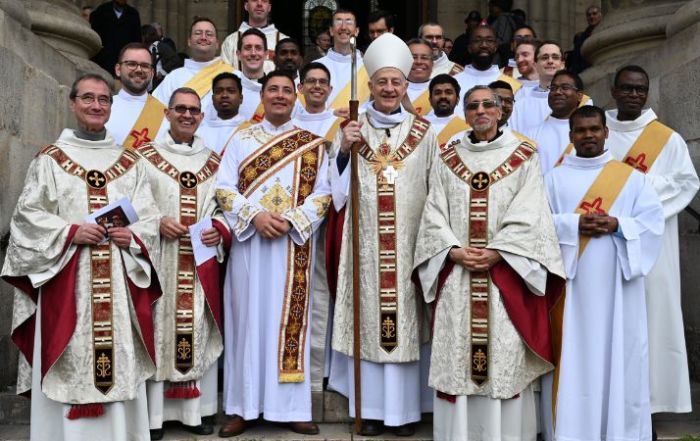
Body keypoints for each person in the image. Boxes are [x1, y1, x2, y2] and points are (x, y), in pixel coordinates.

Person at [1, 73, 161, 441]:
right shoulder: (50, 160)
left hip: (118, 282)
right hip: (67, 279)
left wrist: (131, 235)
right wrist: (71, 232)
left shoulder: (130, 161)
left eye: (103, 100)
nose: (95, 106)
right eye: (87, 98)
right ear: (73, 104)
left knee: (117, 360)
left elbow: (149, 216)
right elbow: (27, 217)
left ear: (111, 106)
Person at [413, 84, 565, 441]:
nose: (480, 111)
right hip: (459, 275)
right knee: (458, 354)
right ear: (465, 114)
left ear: (500, 111)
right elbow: (433, 211)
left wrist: (499, 251)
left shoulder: (524, 155)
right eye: (473, 106)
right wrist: (452, 251)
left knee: (504, 355)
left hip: (504, 275)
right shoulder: (448, 156)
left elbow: (531, 212)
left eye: (487, 105)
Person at [327, 33, 437, 437]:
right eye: (382, 82)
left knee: (406, 323)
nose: (389, 89)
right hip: (366, 247)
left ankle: (405, 413)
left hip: (408, 245)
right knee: (369, 320)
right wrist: (342, 150)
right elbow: (335, 194)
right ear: (370, 86)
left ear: (406, 86)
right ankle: (370, 411)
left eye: (396, 83)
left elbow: (437, 188)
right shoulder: (351, 129)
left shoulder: (425, 133)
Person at [215, 71, 331, 437]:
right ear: (261, 95)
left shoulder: (313, 144)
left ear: (295, 95)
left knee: (289, 324)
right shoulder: (241, 139)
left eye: (285, 90)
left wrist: (293, 219)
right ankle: (241, 407)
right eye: (272, 90)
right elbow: (223, 187)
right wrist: (256, 216)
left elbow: (325, 193)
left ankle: (292, 408)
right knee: (246, 323)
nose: (279, 96)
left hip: (293, 246)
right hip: (250, 245)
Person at [544, 105, 664, 441]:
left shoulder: (633, 180)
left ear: (605, 132)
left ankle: (620, 431)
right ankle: (572, 430)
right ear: (571, 137)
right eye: (580, 131)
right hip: (572, 288)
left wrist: (618, 224)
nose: (588, 136)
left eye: (594, 129)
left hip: (617, 290)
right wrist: (573, 223)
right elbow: (537, 224)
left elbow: (653, 225)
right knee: (574, 356)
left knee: (618, 354)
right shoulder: (553, 179)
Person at [605, 65, 700, 420]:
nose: (634, 95)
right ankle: (613, 397)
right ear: (613, 91)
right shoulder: (597, 131)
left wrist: (639, 201)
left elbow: (685, 184)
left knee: (654, 315)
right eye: (627, 89)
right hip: (606, 241)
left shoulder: (667, 139)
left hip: (654, 242)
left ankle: (652, 403)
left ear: (647, 93)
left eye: (640, 90)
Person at [136, 87, 230, 440]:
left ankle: (198, 413)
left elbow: (225, 204)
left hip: (199, 264)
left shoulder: (215, 161)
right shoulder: (143, 157)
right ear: (167, 113)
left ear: (201, 117)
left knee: (198, 328)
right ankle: (155, 416)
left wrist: (219, 229)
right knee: (160, 329)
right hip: (161, 260)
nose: (188, 115)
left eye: (194, 110)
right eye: (181, 109)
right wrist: (157, 221)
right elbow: (133, 201)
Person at [292, 62, 343, 394]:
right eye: (310, 81)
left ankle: (321, 370)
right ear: (301, 88)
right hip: (291, 225)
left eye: (322, 82)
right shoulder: (287, 124)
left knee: (324, 296)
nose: (316, 87)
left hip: (326, 224)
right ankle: (294, 367)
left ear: (329, 88)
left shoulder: (339, 125)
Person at [152, 18, 233, 131]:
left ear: (217, 44)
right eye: (198, 33)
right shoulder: (173, 77)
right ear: (189, 41)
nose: (203, 37)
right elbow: (155, 114)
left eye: (209, 34)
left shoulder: (234, 77)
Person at [510, 41, 591, 132]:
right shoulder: (519, 104)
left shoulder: (582, 101)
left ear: (562, 64)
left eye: (555, 57)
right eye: (544, 58)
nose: (550, 61)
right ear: (535, 65)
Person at [105, 43, 167, 148]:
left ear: (152, 73)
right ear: (118, 70)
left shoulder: (166, 114)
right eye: (132, 64)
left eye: (145, 66)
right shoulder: (103, 108)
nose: (138, 70)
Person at [524, 70, 586, 173]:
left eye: (565, 88)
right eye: (553, 88)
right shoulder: (530, 135)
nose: (557, 92)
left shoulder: (590, 134)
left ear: (579, 96)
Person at [453, 25, 521, 116]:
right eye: (477, 40)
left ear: (496, 47)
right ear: (469, 47)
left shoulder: (510, 82)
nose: (484, 45)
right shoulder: (454, 82)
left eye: (489, 40)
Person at [316, 9, 370, 110]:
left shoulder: (369, 66)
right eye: (339, 22)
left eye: (349, 22)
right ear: (331, 31)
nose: (343, 27)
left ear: (357, 31)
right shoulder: (316, 66)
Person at [221, 0, 289, 73]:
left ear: (269, 7)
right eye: (254, 0)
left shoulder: (284, 41)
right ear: (246, 6)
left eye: (264, 1)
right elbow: (223, 76)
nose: (259, 4)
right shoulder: (230, 41)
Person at [90, 0, 142, 76]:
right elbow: (95, 36)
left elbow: (136, 40)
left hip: (125, 60)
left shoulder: (133, 14)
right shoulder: (102, 10)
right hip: (104, 60)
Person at [197, 73, 245, 155]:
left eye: (231, 91)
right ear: (212, 99)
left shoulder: (250, 130)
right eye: (218, 91)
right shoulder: (199, 132)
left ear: (241, 98)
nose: (224, 95)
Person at [424, 74, 469, 147]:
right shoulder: (418, 124)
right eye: (438, 93)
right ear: (430, 100)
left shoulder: (467, 129)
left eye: (448, 92)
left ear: (457, 99)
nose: (443, 96)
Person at [233, 28, 267, 123]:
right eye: (248, 48)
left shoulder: (276, 89)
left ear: (266, 54)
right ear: (238, 54)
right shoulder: (228, 89)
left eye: (258, 48)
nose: (253, 53)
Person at [567, 5, 602, 74]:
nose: (591, 17)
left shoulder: (605, 33)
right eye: (589, 15)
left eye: (594, 14)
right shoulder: (580, 37)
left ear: (600, 16)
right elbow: (576, 59)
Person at [406, 38, 435, 116]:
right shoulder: (392, 89)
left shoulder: (441, 90)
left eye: (424, 58)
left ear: (432, 63)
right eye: (413, 57)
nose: (419, 62)